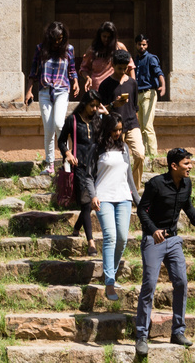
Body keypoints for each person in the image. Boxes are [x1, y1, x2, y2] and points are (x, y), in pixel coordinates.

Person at [134, 147, 195, 357]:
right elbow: (141, 209)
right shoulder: (156, 184)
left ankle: (178, 331)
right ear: (174, 166)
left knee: (181, 283)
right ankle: (141, 336)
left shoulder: (186, 184)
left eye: (190, 163)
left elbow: (189, 209)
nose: (190, 167)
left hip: (173, 240)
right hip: (153, 239)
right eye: (186, 164)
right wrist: (153, 230)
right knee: (149, 285)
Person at [91, 113, 140, 301]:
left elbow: (129, 178)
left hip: (123, 198)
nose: (118, 133)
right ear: (107, 129)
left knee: (122, 238)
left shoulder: (125, 148)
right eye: (115, 130)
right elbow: (89, 175)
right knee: (110, 237)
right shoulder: (97, 148)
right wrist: (93, 195)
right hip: (103, 197)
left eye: (120, 130)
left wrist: (138, 200)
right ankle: (110, 281)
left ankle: (110, 271)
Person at [24, 20, 79, 174]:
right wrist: (29, 91)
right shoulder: (41, 49)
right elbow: (33, 72)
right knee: (48, 129)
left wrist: (75, 82)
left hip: (62, 90)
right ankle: (50, 165)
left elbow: (72, 69)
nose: (56, 42)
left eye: (59, 39)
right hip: (45, 91)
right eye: (54, 39)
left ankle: (66, 160)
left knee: (59, 124)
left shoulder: (69, 49)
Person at [56, 90, 105, 245]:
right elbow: (62, 141)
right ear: (84, 104)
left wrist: (107, 114)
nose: (95, 109)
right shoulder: (73, 120)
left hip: (96, 166)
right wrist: (68, 154)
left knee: (90, 203)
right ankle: (90, 241)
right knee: (86, 202)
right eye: (92, 106)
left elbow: (109, 135)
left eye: (97, 106)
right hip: (80, 167)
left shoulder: (98, 120)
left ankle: (77, 227)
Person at [97, 48, 147, 190]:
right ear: (113, 65)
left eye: (125, 68)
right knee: (116, 160)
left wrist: (137, 125)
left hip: (132, 124)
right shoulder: (105, 85)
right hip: (113, 127)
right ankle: (118, 188)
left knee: (140, 155)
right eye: (120, 68)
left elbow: (135, 107)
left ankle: (134, 191)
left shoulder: (132, 83)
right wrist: (114, 104)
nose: (123, 71)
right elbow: (100, 109)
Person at [133, 33, 166, 160]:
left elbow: (159, 72)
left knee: (147, 125)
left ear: (147, 45)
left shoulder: (151, 58)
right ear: (136, 44)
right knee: (141, 126)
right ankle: (145, 153)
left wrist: (163, 85)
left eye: (144, 44)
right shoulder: (136, 60)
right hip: (139, 94)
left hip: (148, 93)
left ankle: (153, 155)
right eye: (139, 44)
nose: (141, 47)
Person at [78, 21, 135, 92]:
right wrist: (87, 78)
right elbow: (83, 68)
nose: (106, 39)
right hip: (97, 88)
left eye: (109, 37)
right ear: (100, 36)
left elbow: (130, 66)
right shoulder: (92, 50)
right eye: (104, 36)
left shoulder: (119, 47)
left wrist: (133, 84)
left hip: (116, 87)